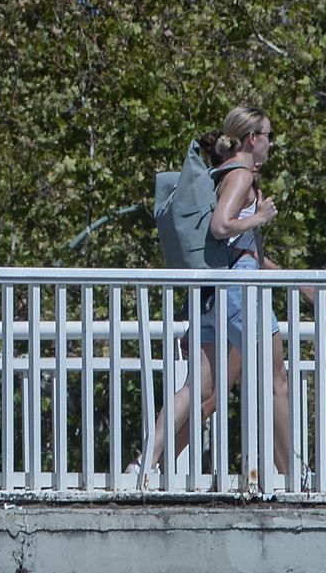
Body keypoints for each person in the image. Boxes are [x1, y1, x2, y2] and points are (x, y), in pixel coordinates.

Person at [133, 106, 310, 482]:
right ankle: (291, 475)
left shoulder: (221, 173)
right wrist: (258, 218)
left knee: (199, 388)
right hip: (237, 291)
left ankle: (144, 463)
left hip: (214, 291)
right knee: (277, 377)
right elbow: (221, 226)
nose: (271, 144)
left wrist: (295, 281)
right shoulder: (242, 174)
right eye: (268, 136)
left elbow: (236, 247)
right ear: (252, 139)